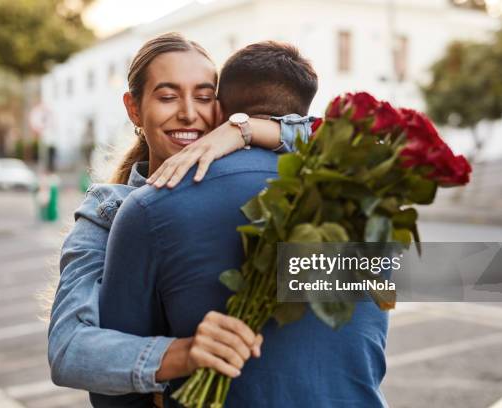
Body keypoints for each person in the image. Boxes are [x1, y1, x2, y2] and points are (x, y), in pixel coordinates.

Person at [96, 43, 389, 407]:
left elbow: (112, 392)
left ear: (218, 110)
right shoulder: (367, 204)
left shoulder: (147, 209)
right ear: (302, 112)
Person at [47, 33, 315, 401]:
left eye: (204, 97)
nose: (189, 112)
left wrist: (246, 129)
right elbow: (68, 350)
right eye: (168, 96)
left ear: (221, 108)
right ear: (134, 109)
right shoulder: (112, 209)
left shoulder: (244, 178)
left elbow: (352, 144)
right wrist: (183, 354)